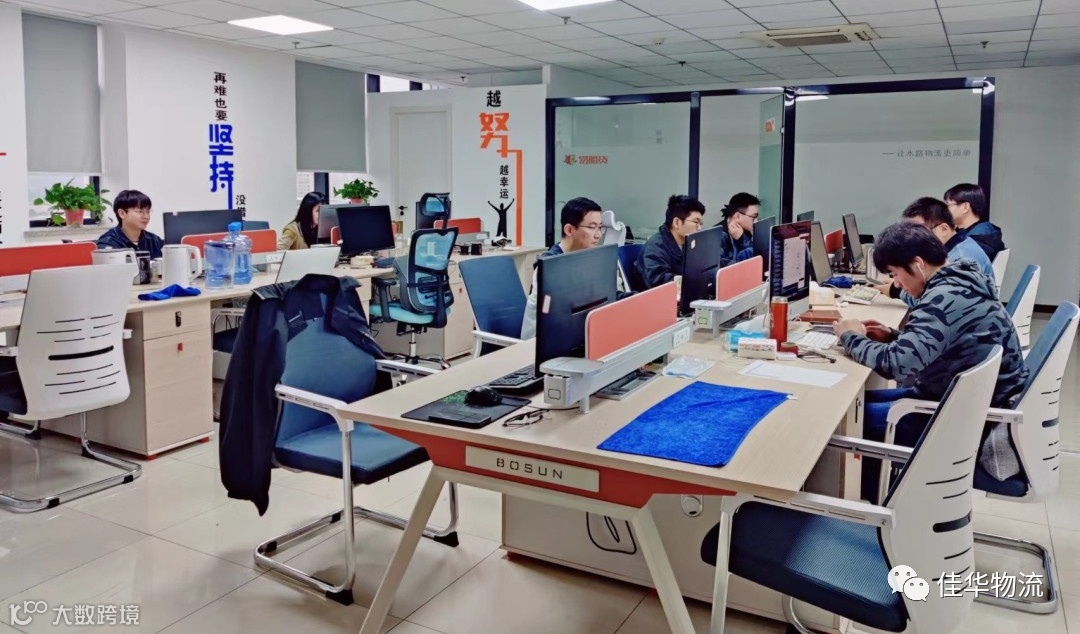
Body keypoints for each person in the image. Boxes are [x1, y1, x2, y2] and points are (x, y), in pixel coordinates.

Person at [832, 222, 1028, 502]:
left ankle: (876, 508)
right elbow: (944, 343)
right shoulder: (961, 280)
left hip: (963, 420)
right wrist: (893, 336)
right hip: (963, 402)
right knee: (854, 402)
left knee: (844, 420)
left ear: (918, 264)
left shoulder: (942, 299)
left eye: (895, 274)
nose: (896, 284)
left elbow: (897, 365)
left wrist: (850, 336)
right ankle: (880, 497)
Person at [874, 197, 996, 305]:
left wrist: (897, 291)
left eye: (920, 231)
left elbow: (935, 303)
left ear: (944, 230)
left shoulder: (960, 258)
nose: (912, 238)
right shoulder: (959, 248)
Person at [521, 197, 604, 340]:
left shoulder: (584, 258)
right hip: (540, 342)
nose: (598, 235)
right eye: (592, 227)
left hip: (573, 334)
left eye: (600, 227)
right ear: (569, 230)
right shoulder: (549, 267)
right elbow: (559, 313)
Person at [633, 195, 705, 290]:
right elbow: (657, 281)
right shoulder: (655, 246)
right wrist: (692, 281)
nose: (699, 228)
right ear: (677, 223)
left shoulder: (688, 243)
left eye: (701, 223)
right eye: (696, 222)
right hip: (659, 297)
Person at [944, 183, 1005, 261]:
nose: (944, 210)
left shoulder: (980, 240)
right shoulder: (967, 234)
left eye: (948, 205)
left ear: (965, 207)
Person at [96, 189, 164, 259]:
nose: (146, 216)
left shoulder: (154, 240)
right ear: (122, 213)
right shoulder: (108, 242)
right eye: (140, 211)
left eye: (148, 212)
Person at [715, 192, 759, 266]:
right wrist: (742, 239)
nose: (756, 221)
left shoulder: (747, 230)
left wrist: (743, 239)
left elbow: (757, 257)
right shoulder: (718, 236)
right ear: (737, 216)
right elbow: (722, 267)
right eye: (753, 217)